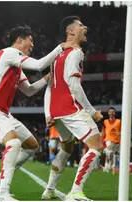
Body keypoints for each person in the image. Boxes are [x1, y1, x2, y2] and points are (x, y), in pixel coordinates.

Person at [0, 25, 75, 201]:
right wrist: (61, 46)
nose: (32, 45)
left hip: (3, 113)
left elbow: (28, 90)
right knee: (13, 143)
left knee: (31, 146)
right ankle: (2, 195)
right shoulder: (8, 53)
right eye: (31, 40)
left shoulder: (15, 66)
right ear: (19, 40)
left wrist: (47, 79)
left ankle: (0, 179)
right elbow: (38, 65)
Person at [41, 16, 103, 201]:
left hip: (56, 111)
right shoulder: (76, 52)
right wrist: (92, 111)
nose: (85, 27)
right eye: (81, 25)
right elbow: (74, 86)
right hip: (70, 107)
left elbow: (50, 87)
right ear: (71, 31)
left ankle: (49, 190)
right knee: (96, 145)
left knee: (67, 147)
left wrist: (48, 113)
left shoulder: (56, 56)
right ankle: (76, 192)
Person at [101, 107, 121, 175]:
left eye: (113, 111)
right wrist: (101, 138)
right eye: (110, 112)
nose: (111, 113)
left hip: (117, 140)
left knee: (115, 155)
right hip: (108, 139)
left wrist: (120, 133)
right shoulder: (105, 121)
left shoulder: (119, 121)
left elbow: (122, 130)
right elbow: (103, 131)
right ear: (108, 113)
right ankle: (106, 166)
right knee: (109, 153)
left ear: (114, 113)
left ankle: (111, 166)